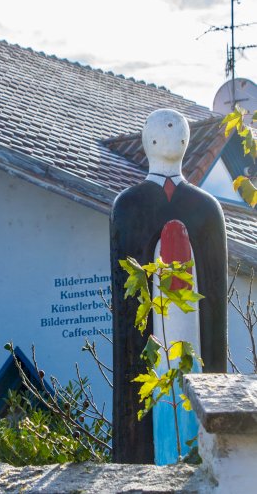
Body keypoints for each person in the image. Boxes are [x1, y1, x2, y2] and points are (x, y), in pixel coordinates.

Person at [110, 109, 227, 464]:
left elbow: (215, 301)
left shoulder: (205, 209)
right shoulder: (129, 207)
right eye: (163, 132)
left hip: (196, 340)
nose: (171, 136)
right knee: (154, 402)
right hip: (152, 341)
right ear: (150, 142)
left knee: (194, 389)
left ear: (185, 142)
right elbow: (126, 299)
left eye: (177, 131)